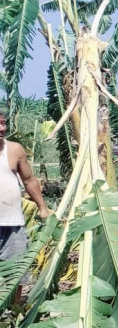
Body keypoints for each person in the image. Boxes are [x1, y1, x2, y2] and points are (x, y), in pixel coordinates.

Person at [0, 111, 51, 271]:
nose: (1, 128)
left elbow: (29, 180)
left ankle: (15, 298)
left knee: (16, 276)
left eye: (3, 123)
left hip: (13, 224)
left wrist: (42, 208)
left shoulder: (15, 150)